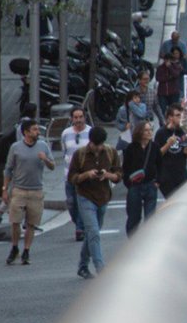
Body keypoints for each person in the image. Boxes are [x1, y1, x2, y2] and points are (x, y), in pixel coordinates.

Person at [68, 126, 122, 279]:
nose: (98, 148)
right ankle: (100, 267)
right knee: (93, 231)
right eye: (95, 145)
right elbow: (72, 178)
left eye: (100, 145)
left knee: (93, 233)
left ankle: (82, 265)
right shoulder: (80, 154)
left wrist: (108, 175)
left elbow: (119, 174)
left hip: (103, 196)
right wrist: (86, 175)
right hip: (85, 196)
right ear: (90, 142)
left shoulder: (110, 152)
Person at [2, 118, 55, 266]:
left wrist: (46, 160)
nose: (38, 132)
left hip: (36, 190)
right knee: (15, 221)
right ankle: (14, 247)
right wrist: (5, 189)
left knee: (31, 224)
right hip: (19, 189)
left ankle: (26, 250)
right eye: (35, 129)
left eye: (37, 129)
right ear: (26, 132)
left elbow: (53, 166)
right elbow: (8, 169)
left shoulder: (43, 146)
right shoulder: (16, 147)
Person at [60, 107, 93, 242]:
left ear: (84, 117)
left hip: (85, 176)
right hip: (70, 175)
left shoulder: (90, 132)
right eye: (76, 117)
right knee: (71, 203)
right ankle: (79, 222)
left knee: (82, 202)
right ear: (72, 119)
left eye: (80, 117)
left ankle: (80, 228)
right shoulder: (66, 133)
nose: (78, 120)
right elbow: (64, 152)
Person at [122, 121, 160, 236]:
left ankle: (148, 244)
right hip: (135, 186)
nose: (149, 132)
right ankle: (132, 242)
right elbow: (126, 167)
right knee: (134, 217)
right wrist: (129, 183)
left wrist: (158, 181)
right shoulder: (131, 148)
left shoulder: (154, 147)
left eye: (150, 130)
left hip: (150, 184)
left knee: (150, 218)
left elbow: (160, 164)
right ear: (140, 132)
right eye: (146, 130)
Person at [155, 105, 187, 198]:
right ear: (170, 117)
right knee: (172, 202)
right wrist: (168, 145)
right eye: (178, 115)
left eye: (181, 115)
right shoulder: (161, 133)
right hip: (166, 176)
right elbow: (156, 155)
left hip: (181, 174)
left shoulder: (184, 132)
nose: (180, 118)